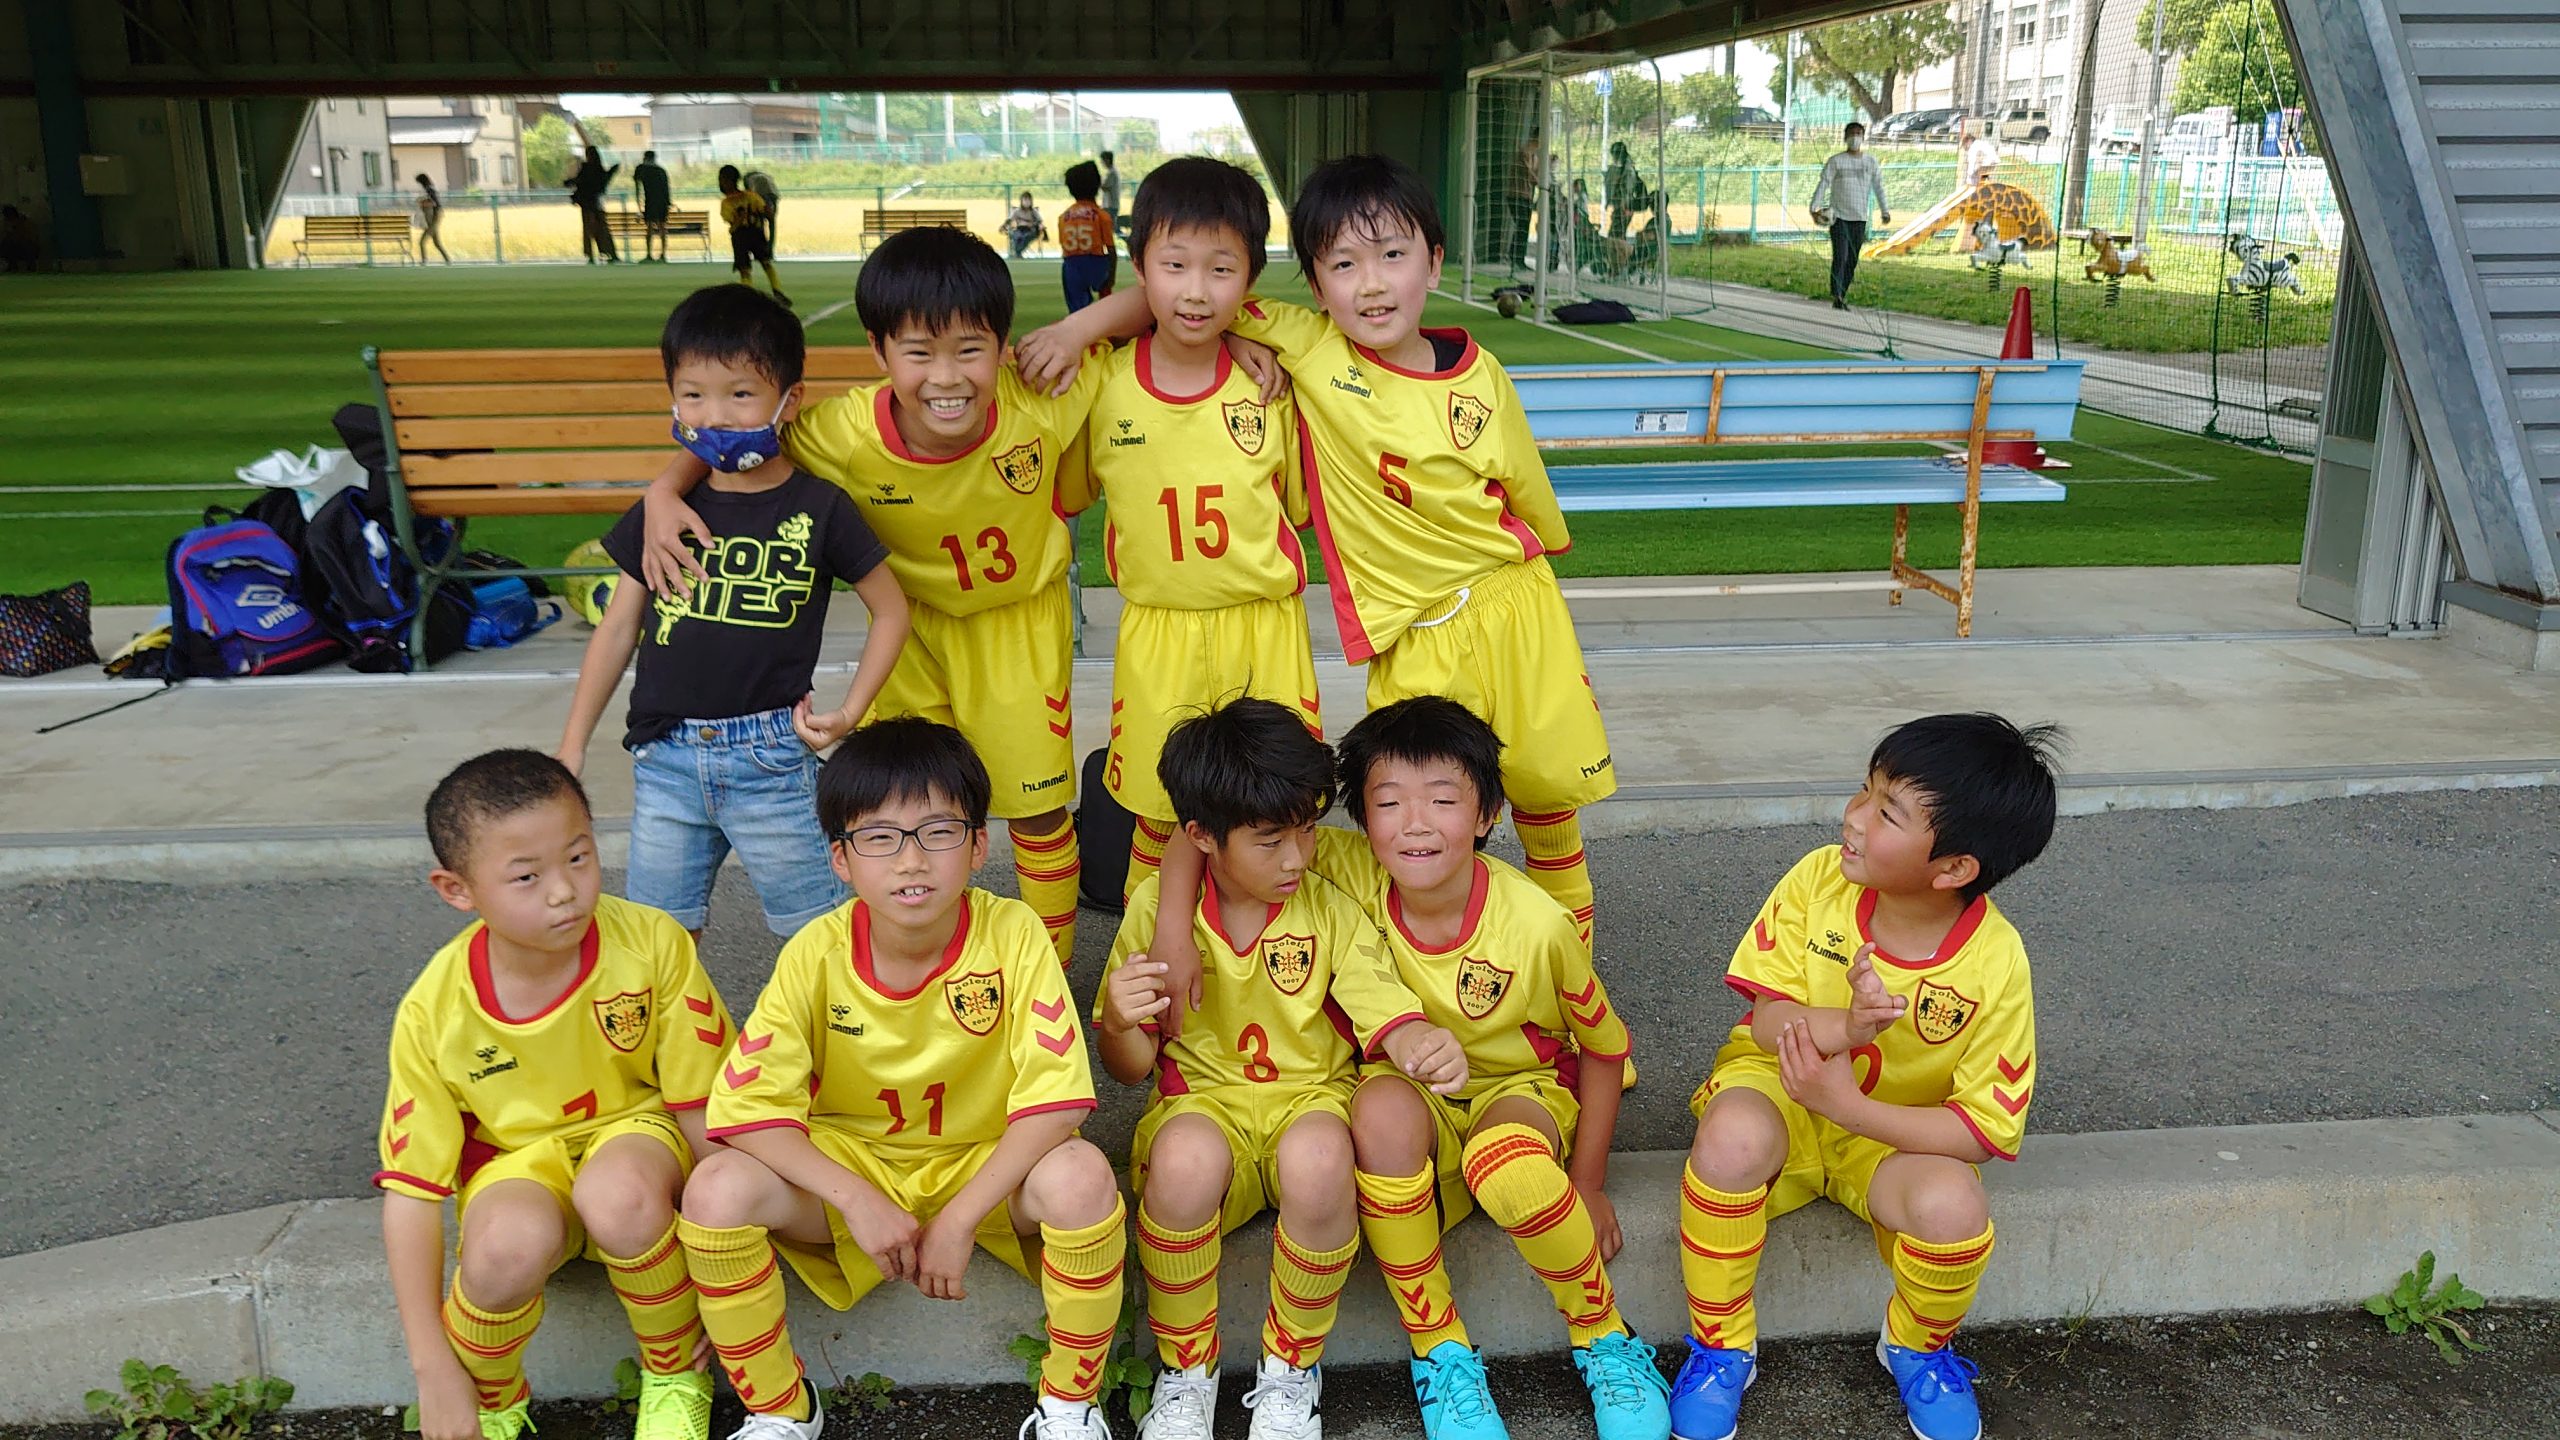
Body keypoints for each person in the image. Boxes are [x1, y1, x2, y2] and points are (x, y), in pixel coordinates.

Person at [1022, 153, 1617, 964]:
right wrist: (1079, 328)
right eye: (1343, 264)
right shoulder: (1303, 349)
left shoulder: (1470, 380)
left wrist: (1235, 336)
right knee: (1398, 821)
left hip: (1511, 609)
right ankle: (1181, 981)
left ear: (1434, 261)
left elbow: (1532, 512)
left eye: (1393, 255)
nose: (1371, 284)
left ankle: (1559, 991)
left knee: (1542, 807)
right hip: (1394, 636)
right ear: (1313, 281)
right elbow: (1191, 294)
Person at [635, 226, 1127, 963]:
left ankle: (1048, 974)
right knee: (907, 808)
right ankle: (922, 969)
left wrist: (1076, 328)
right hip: (909, 636)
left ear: (1003, 345)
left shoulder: (1041, 396)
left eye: (969, 349)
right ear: (878, 350)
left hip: (1016, 628)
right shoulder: (841, 433)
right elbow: (736, 433)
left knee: (1035, 809)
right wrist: (665, 487)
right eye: (918, 353)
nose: (946, 377)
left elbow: (1159, 302)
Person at [675, 719, 1125, 1440]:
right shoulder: (816, 953)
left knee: (1082, 1176)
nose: (911, 860)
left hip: (982, 1164)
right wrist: (855, 1198)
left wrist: (959, 1219)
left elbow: (1057, 1104)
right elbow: (748, 1110)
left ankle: (1070, 1404)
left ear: (978, 846)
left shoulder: (1013, 934)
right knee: (716, 1189)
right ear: (841, 859)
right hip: (858, 1166)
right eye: (880, 837)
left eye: (938, 832)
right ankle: (779, 1408)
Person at [1668, 713, 2060, 1440]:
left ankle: (1916, 1348)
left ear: (1953, 870)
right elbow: (1766, 1023)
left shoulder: (1996, 961)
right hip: (1780, 1089)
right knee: (1730, 1139)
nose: (1853, 816)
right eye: (1865, 790)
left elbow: (1981, 1131)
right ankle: (1721, 1346)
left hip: (1883, 1137)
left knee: (1955, 1207)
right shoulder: (1819, 879)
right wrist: (1846, 1029)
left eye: (1887, 812)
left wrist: (1848, 1108)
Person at [1095, 698, 1470, 1440]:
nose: (1297, 857)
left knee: (1323, 1157)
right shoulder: (1159, 914)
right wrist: (1116, 1019)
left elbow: (1382, 1008)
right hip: (1203, 1103)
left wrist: (1422, 1043)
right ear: (1202, 837)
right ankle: (1186, 1371)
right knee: (1183, 1163)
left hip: (1312, 1099)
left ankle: (1291, 1367)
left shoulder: (1325, 905)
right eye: (1270, 841)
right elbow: (1130, 1068)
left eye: (1307, 830)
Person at [1319, 697, 1664, 1440]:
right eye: (1388, 803)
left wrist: (1589, 1183)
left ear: (1487, 815)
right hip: (1413, 1090)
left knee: (1509, 1165)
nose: (1415, 824)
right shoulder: (1345, 870)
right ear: (1362, 820)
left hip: (1519, 1088)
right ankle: (1440, 1350)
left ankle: (1603, 1334)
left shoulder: (1536, 925)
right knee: (1375, 1113)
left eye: (1443, 801)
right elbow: (1222, 823)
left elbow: (1605, 1047)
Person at [377, 750, 737, 1440]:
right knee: (502, 1250)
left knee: (619, 1194)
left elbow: (702, 1107)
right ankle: (491, 1401)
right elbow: (412, 1193)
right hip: (519, 1167)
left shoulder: (651, 943)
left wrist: (726, 1248)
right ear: (457, 890)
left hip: (638, 1141)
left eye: (578, 857)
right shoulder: (434, 1009)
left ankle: (673, 1373)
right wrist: (432, 1369)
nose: (564, 891)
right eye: (526, 876)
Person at [555, 284, 911, 941]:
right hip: (664, 760)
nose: (714, 415)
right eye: (693, 394)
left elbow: (891, 611)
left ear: (788, 400)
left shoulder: (820, 508)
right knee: (658, 942)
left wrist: (852, 710)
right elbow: (618, 628)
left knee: (821, 938)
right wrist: (571, 746)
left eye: (740, 394)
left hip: (772, 760)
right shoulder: (664, 513)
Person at [1048, 155, 1318, 901]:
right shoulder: (1102, 384)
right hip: (1158, 632)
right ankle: (1151, 946)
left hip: (1263, 627)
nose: (1196, 291)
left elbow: (1301, 505)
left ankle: (1272, 954)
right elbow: (1065, 493)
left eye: (1221, 270)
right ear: (1139, 268)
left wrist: (1252, 347)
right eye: (1174, 266)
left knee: (1276, 804)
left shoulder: (1270, 387)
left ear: (1250, 279)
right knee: (1157, 811)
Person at [1809, 122, 1890, 311]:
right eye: (1852, 134)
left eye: (1859, 133)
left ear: (1863, 137)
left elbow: (1878, 187)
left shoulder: (1870, 162)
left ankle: (1843, 293)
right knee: (1841, 256)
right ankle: (1836, 294)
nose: (1855, 137)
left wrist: (1885, 210)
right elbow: (1824, 183)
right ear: (1845, 137)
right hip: (1839, 218)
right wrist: (1814, 208)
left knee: (1852, 260)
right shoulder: (1836, 161)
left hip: (1859, 218)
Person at [717, 165, 788, 307]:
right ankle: (774, 291)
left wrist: (743, 218)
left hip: (742, 236)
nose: (721, 184)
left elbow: (733, 224)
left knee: (748, 268)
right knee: (762, 264)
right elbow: (766, 212)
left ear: (729, 181)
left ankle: (756, 296)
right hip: (754, 233)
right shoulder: (750, 196)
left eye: (722, 180)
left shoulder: (728, 202)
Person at [1058, 159, 1117, 312]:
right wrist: (1111, 277)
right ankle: (1108, 318)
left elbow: (1064, 246)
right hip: (1097, 263)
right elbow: (1111, 249)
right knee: (1105, 301)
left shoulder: (1064, 217)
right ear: (1097, 186)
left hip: (1072, 264)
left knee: (1077, 309)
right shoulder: (1101, 216)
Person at [569, 144, 620, 264]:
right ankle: (608, 252)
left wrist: (569, 183)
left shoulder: (586, 168)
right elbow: (602, 182)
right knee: (602, 229)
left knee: (588, 229)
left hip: (587, 203)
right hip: (597, 202)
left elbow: (580, 182)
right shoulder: (599, 169)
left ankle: (590, 254)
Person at [633, 150, 672, 262]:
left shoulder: (641, 169)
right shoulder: (661, 170)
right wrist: (668, 203)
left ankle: (649, 254)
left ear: (645, 157)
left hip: (650, 201)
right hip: (662, 201)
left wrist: (639, 206)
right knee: (662, 226)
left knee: (649, 227)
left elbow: (638, 187)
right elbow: (666, 189)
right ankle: (663, 254)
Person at [1605, 140, 1640, 240]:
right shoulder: (1617, 169)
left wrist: (1624, 206)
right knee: (1617, 235)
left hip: (1624, 208)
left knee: (1615, 236)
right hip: (1621, 207)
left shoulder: (1628, 171)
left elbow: (1628, 190)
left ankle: (1622, 249)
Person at [1005, 190, 1046, 259]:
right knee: (1017, 236)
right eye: (1025, 200)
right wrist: (1005, 226)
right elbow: (1009, 220)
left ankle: (1017, 252)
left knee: (1026, 236)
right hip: (1019, 229)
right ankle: (1018, 252)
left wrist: (1039, 225)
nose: (1027, 202)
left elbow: (1040, 221)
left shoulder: (1033, 211)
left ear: (1031, 201)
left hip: (1031, 230)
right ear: (1021, 201)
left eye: (1029, 200)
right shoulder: (1017, 211)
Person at [0, 204, 38, 271]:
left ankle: (29, 267)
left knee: (27, 246)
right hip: (15, 248)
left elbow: (30, 238)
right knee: (7, 244)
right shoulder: (6, 224)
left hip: (26, 247)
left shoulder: (25, 223)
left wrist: (16, 229)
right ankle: (12, 266)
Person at [1963, 124, 2002, 190]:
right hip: (1993, 162)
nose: (1966, 146)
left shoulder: (1973, 147)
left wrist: (1969, 177)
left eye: (1965, 144)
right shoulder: (1980, 143)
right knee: (1982, 176)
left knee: (1973, 177)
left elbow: (1972, 163)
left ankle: (1974, 188)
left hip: (1985, 164)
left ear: (1968, 141)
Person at [1098, 148, 1122, 232]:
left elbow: (1104, 187)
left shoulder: (1112, 173)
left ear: (1107, 160)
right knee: (1112, 227)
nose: (1102, 163)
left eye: (1102, 161)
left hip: (1110, 205)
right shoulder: (1112, 172)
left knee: (1111, 228)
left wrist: (1097, 181)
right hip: (1110, 204)